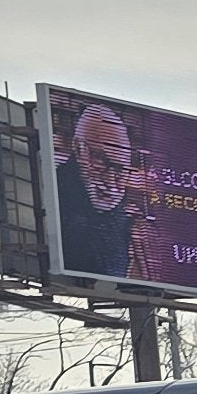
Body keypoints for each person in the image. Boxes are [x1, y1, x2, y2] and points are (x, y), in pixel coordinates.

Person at [48, 100, 142, 280]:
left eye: (120, 169)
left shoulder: (126, 218)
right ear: (78, 148)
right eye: (101, 161)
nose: (110, 180)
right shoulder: (55, 192)